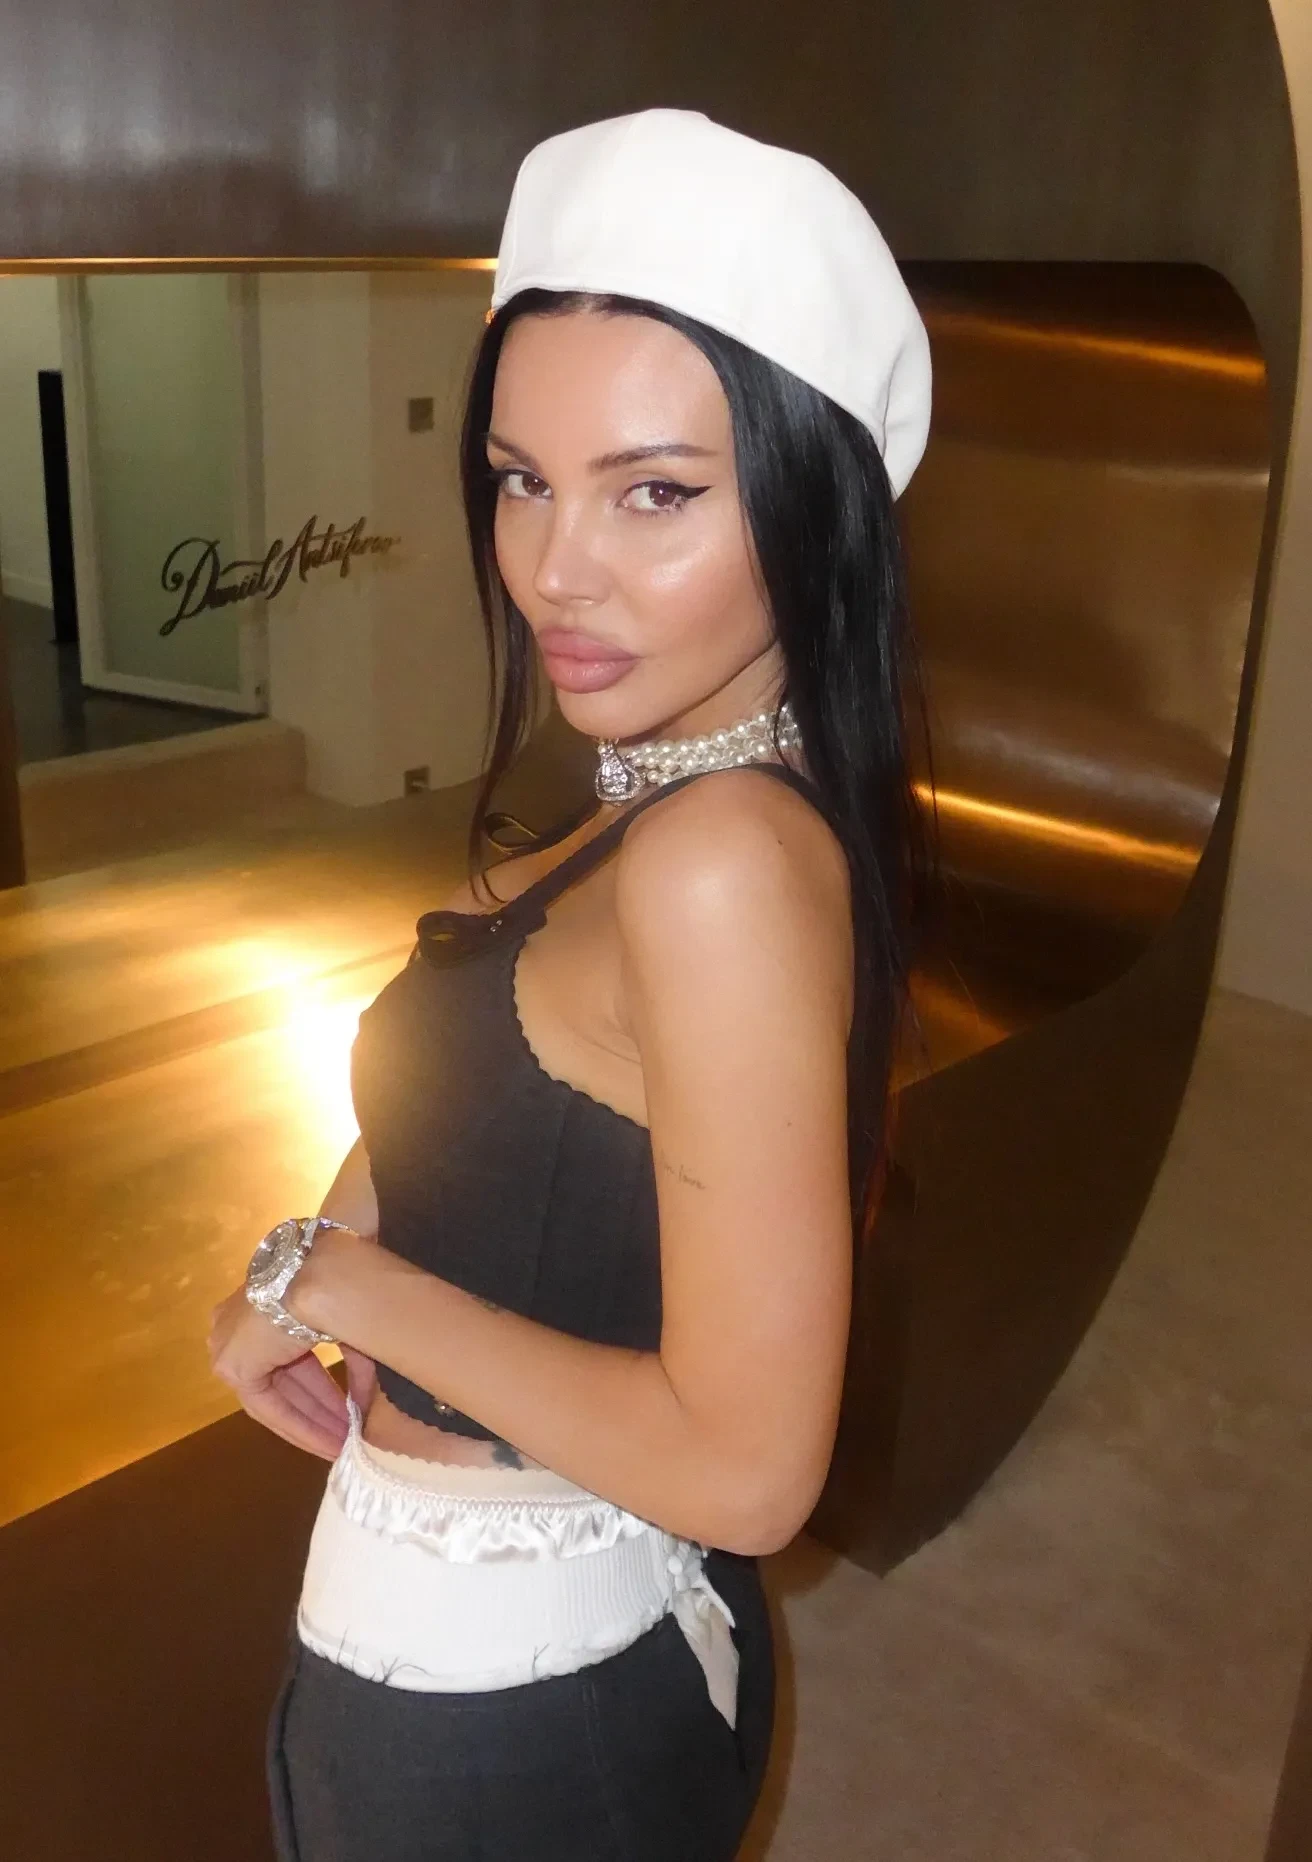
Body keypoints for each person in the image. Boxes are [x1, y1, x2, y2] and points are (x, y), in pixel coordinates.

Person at [207, 106, 936, 1862]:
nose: (553, 567)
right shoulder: (664, 792)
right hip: (482, 1637)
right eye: (522, 477)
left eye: (655, 491)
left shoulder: (717, 861)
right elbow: (488, 1091)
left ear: (813, 508)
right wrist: (311, 1253)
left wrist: (337, 1278)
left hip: (514, 1705)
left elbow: (753, 1469)